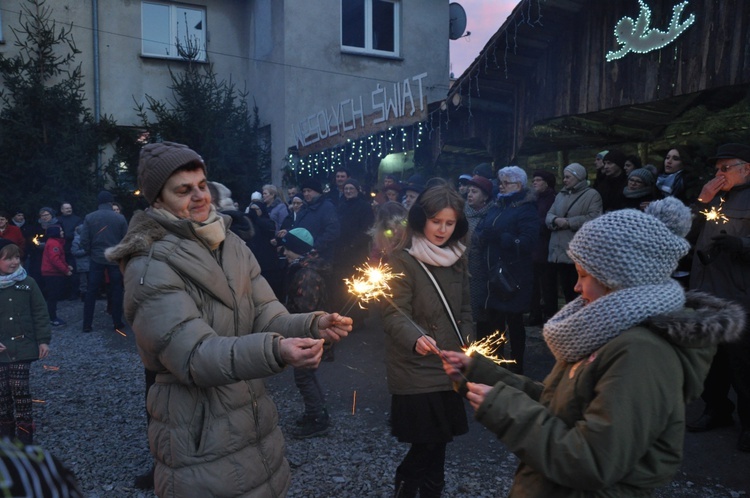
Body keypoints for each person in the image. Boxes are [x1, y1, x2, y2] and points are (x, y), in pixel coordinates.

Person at [441, 197, 746, 497]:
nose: (575, 287)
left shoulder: (641, 353)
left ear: (619, 280)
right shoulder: (606, 329)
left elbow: (592, 461)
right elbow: (561, 404)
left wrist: (503, 408)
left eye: (584, 276)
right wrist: (481, 374)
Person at [105, 141, 351, 498]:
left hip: (250, 417)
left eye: (202, 185)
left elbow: (265, 311)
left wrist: (311, 324)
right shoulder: (149, 263)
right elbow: (193, 356)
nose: (199, 196)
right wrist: (276, 351)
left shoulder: (229, 243)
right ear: (157, 200)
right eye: (183, 190)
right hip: (198, 431)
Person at [382, 184, 473, 498]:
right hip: (416, 366)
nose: (443, 230)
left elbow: (464, 308)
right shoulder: (402, 260)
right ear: (422, 219)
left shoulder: (458, 257)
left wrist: (468, 345)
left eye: (450, 223)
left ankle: (432, 492)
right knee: (427, 442)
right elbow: (394, 312)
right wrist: (416, 337)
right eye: (437, 222)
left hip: (449, 365)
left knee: (440, 442)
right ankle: (406, 487)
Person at [688, 143, 750, 452]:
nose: (718, 174)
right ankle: (716, 409)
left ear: (746, 168)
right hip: (706, 291)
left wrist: (742, 246)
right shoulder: (713, 197)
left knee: (743, 363)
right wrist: (703, 199)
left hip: (739, 295)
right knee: (709, 360)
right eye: (716, 170)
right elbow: (686, 231)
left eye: (724, 168)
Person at [474, 166, 538, 373]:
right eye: (500, 182)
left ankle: (517, 365)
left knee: (514, 321)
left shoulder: (526, 208)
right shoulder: (498, 205)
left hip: (513, 275)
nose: (500, 186)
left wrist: (504, 238)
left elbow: (529, 241)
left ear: (518, 185)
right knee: (496, 321)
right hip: (493, 273)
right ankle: (498, 363)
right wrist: (484, 234)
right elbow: (483, 227)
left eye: (505, 182)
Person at [279, 228, 332, 438]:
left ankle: (317, 418)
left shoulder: (306, 274)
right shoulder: (301, 268)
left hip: (307, 332)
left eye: (288, 248)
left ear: (297, 250)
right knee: (307, 374)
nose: (285, 252)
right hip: (308, 330)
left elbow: (306, 308)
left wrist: (290, 323)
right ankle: (317, 413)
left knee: (304, 377)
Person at [0, 240, 51, 444]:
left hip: (24, 346)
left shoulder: (28, 283)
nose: (14, 262)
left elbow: (40, 312)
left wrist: (43, 340)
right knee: (2, 393)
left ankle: (24, 437)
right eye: (8, 258)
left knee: (20, 388)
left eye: (17, 257)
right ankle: (5, 437)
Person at [546, 163, 603, 304]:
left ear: (578, 177)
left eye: (568, 177)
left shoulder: (592, 195)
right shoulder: (561, 195)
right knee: (566, 289)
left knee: (579, 291)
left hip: (577, 252)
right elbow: (549, 214)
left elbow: (594, 218)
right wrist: (554, 220)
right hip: (559, 250)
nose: (564, 180)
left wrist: (569, 222)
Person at [80, 191, 128, 333]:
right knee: (116, 290)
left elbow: (84, 240)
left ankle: (87, 324)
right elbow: (126, 240)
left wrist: (90, 252)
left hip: (96, 258)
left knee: (91, 291)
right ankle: (117, 322)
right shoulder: (120, 218)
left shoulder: (90, 217)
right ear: (111, 202)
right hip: (114, 258)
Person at [528, 170, 557, 326]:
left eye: (539, 180)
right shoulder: (533, 199)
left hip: (546, 247)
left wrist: (534, 225)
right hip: (533, 247)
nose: (535, 183)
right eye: (534, 180)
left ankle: (550, 315)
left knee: (548, 284)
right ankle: (535, 314)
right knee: (533, 284)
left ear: (547, 182)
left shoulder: (553, 199)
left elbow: (548, 220)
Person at [292, 178, 340, 261]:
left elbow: (332, 231)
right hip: (303, 254)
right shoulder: (304, 208)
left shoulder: (327, 207)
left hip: (319, 256)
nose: (306, 194)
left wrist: (315, 247)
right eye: (304, 191)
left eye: (309, 191)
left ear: (317, 192)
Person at [40, 225, 72, 326]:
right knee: (52, 297)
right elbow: (55, 260)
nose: (62, 232)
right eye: (61, 230)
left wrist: (67, 266)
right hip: (52, 273)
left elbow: (58, 258)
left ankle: (51, 316)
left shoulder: (54, 242)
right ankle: (52, 318)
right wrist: (66, 270)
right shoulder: (54, 244)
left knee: (52, 296)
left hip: (51, 272)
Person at [58, 202, 82, 300]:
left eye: (70, 208)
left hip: (73, 249)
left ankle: (74, 293)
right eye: (66, 208)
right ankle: (63, 293)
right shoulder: (58, 220)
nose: (69, 210)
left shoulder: (77, 220)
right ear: (62, 210)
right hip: (61, 249)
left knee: (74, 272)